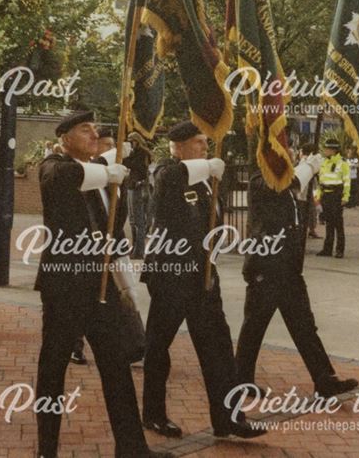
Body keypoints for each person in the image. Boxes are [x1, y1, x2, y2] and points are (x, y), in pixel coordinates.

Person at [33, 110, 170, 458]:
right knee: (53, 369)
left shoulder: (100, 177)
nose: (93, 135)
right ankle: (46, 451)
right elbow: (64, 178)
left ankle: (132, 449)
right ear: (64, 137)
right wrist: (106, 171)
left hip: (100, 285)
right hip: (65, 287)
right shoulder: (53, 165)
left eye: (96, 130)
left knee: (116, 368)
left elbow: (113, 226)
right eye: (84, 130)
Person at [142, 120, 265, 441]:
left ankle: (229, 417)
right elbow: (169, 182)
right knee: (158, 347)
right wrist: (205, 166)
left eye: (205, 142)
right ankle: (153, 414)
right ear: (178, 146)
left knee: (219, 350)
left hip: (204, 277)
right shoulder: (166, 170)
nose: (205, 147)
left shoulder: (207, 180)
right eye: (198, 142)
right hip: (171, 276)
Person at [235, 153, 359, 399]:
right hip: (266, 268)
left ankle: (324, 380)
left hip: (288, 269)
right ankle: (240, 381)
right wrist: (306, 168)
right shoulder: (260, 181)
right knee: (254, 328)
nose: (287, 159)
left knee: (304, 327)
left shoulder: (282, 183)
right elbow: (285, 185)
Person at [315, 138, 350, 258]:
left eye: (327, 149)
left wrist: (345, 196)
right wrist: (318, 196)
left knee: (338, 224)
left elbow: (347, 182)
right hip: (326, 195)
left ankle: (340, 249)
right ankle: (327, 249)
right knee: (328, 223)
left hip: (336, 195)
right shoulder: (324, 163)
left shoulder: (343, 163)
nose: (325, 151)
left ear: (333, 150)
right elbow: (321, 180)